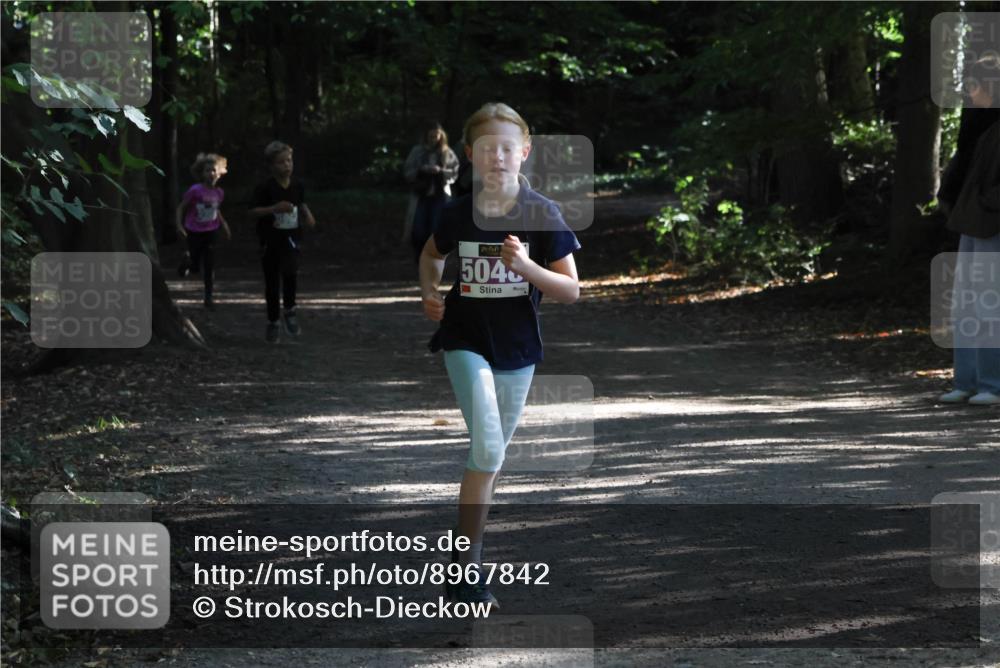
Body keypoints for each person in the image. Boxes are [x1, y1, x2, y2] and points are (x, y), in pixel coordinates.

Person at [418, 103, 581, 607]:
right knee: (488, 446)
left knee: (489, 456)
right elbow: (431, 254)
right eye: (487, 148)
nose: (498, 156)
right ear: (469, 154)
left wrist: (526, 266)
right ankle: (469, 570)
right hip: (464, 337)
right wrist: (429, 291)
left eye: (507, 147)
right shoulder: (456, 211)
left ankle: (464, 561)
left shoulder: (541, 213)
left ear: (525, 152)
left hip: (518, 349)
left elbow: (570, 289)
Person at [938, 56, 1000, 406]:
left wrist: (988, 203)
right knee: (965, 302)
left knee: (990, 301)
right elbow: (962, 166)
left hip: (991, 220)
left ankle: (993, 383)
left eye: (976, 85)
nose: (970, 92)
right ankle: (969, 379)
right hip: (970, 219)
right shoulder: (975, 122)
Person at [249, 141, 317, 343]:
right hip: (270, 240)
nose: (286, 165)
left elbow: (301, 202)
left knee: (291, 273)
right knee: (272, 282)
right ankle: (273, 321)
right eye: (281, 162)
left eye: (289, 160)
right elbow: (252, 211)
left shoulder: (297, 185)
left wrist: (308, 215)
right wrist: (273, 209)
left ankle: (290, 310)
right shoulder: (264, 188)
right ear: (271, 166)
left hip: (291, 238)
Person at [176, 153, 231, 310]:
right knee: (195, 265)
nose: (211, 173)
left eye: (214, 170)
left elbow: (216, 210)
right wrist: (178, 225)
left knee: (209, 264)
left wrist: (224, 224)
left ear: (219, 173)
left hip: (211, 231)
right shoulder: (195, 190)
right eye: (207, 170)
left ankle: (209, 298)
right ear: (201, 173)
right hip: (194, 230)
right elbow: (181, 207)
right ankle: (186, 264)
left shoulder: (219, 193)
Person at [403, 122, 460, 260]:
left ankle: (435, 257)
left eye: (436, 136)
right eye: (431, 136)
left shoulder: (447, 153)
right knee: (418, 229)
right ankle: (419, 255)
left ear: (441, 136)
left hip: (440, 196)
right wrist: (421, 170)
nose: (434, 139)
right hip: (421, 195)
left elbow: (454, 172)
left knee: (436, 228)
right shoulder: (417, 151)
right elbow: (408, 171)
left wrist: (440, 171)